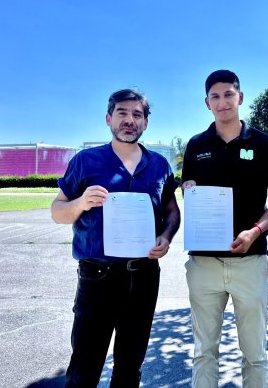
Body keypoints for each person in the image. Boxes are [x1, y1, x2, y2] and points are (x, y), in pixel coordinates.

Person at [51, 88, 181, 388]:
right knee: (84, 367)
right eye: (122, 113)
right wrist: (81, 203)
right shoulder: (86, 161)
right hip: (98, 276)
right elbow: (57, 211)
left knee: (130, 366)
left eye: (137, 114)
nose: (129, 120)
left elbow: (171, 210)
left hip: (144, 276)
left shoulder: (159, 165)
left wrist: (166, 236)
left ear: (145, 122)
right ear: (109, 118)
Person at [182, 69, 268, 387]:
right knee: (204, 352)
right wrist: (188, 190)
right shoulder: (196, 145)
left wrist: (255, 231)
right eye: (215, 96)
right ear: (207, 103)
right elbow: (190, 191)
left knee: (255, 353)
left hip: (250, 262)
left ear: (240, 97)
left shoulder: (262, 143)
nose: (222, 102)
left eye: (228, 94)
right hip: (204, 263)